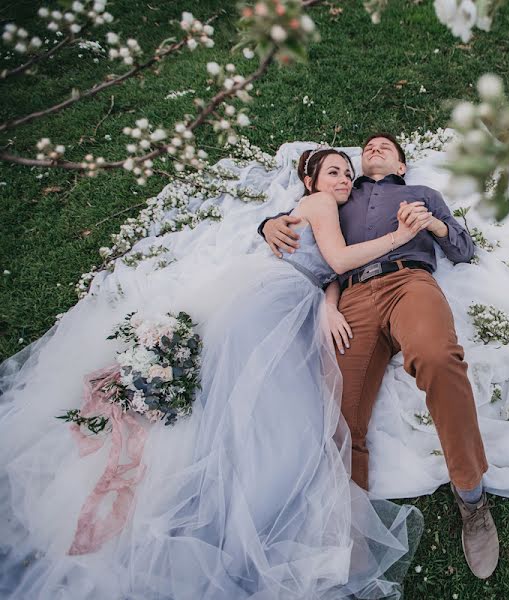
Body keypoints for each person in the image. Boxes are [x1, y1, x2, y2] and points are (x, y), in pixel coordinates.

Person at [0, 148, 426, 599]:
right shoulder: (321, 204)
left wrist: (327, 303)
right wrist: (400, 236)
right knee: (276, 418)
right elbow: (337, 261)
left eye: (348, 173)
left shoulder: (330, 213)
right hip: (273, 306)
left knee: (255, 415)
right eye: (334, 172)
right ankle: (232, 521)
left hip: (294, 306)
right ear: (309, 180)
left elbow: (328, 270)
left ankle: (228, 520)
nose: (344, 179)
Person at [259, 133, 500, 579]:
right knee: (340, 415)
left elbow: (464, 250)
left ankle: (472, 498)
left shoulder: (421, 195)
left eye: (385, 147)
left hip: (410, 283)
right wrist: (268, 224)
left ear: (402, 166)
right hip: (351, 301)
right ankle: (352, 536)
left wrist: (431, 224)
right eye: (366, 148)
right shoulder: (339, 198)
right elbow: (320, 250)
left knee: (438, 358)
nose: (373, 149)